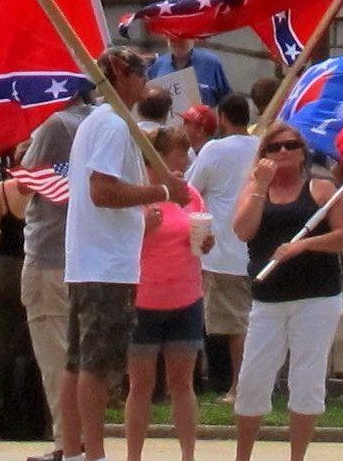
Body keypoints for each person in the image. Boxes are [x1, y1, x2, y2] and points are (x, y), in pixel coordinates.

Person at [67, 48, 187, 461]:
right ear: (120, 73)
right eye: (142, 70)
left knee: (80, 361)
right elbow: (101, 191)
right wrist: (162, 191)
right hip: (106, 263)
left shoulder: (101, 122)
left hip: (92, 260)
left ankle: (74, 448)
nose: (148, 77)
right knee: (98, 363)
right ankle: (94, 452)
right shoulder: (115, 125)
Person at [229, 121, 343, 461]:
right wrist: (259, 186)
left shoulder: (321, 189)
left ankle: (296, 456)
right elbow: (242, 230)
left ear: (302, 153)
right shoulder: (255, 188)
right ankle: (243, 456)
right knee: (253, 378)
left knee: (306, 378)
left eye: (290, 146)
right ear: (263, 154)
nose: (283, 152)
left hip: (316, 297)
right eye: (274, 147)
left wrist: (304, 245)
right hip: (268, 299)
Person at [125, 126, 208, 461]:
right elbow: (119, 240)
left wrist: (207, 240)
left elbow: (199, 232)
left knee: (182, 384)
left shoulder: (189, 193)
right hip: (144, 299)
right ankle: (134, 455)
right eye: (179, 150)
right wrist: (142, 228)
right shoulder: (140, 192)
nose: (185, 158)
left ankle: (188, 454)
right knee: (141, 386)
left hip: (186, 297)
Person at [19, 89, 90, 461]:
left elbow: (26, 183)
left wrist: (19, 158)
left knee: (56, 354)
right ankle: (82, 440)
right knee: (75, 354)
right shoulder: (94, 121)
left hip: (48, 252)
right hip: (83, 255)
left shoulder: (55, 124)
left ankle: (68, 442)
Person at [186, 93, 259, 398]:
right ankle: (240, 385)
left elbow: (190, 187)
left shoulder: (215, 149)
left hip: (224, 250)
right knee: (242, 321)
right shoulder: (260, 146)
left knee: (236, 325)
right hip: (254, 249)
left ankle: (240, 388)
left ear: (224, 118)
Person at [0, 152, 50, 443]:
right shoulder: (47, 191)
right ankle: (48, 424)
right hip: (38, 266)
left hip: (6, 270)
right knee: (43, 347)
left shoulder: (1, 191)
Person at [145, 33, 229, 112]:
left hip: (203, 126)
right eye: (172, 37)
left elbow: (227, 101)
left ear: (192, 37)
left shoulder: (211, 63)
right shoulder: (157, 65)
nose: (177, 41)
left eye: (182, 36)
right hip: (166, 126)